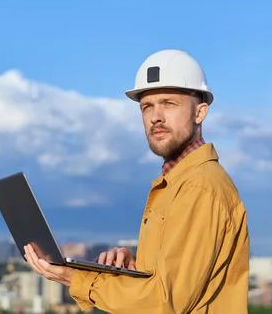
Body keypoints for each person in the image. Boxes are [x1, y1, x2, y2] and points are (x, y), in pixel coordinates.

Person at [24, 49, 250, 313]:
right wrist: (135, 270)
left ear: (200, 113)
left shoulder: (199, 186)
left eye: (169, 103)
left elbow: (164, 303)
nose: (156, 116)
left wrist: (75, 278)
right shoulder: (175, 183)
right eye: (147, 106)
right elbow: (171, 286)